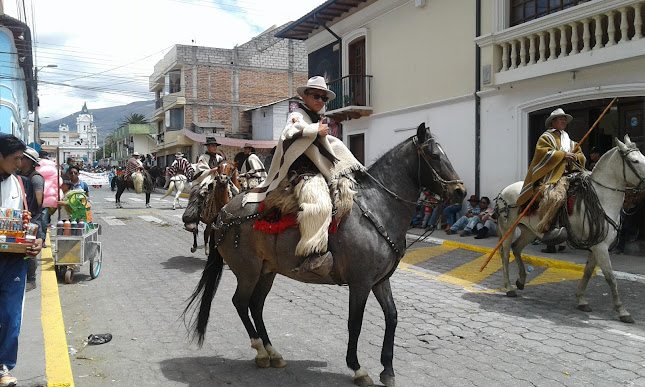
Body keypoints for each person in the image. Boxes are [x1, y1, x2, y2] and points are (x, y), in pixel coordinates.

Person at [243, 76, 365, 276]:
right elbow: (290, 132)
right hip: (302, 173)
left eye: (324, 98)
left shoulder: (317, 119)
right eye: (316, 96)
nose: (320, 101)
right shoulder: (297, 115)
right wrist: (315, 130)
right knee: (321, 205)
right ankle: (312, 255)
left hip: (320, 171)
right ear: (305, 96)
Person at [0, 134, 43, 387]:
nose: (20, 163)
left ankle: (3, 366)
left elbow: (37, 217)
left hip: (14, 261)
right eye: (15, 158)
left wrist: (36, 237)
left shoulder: (23, 184)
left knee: (10, 314)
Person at [517, 108, 586, 244]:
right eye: (560, 119)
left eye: (564, 119)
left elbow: (581, 156)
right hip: (551, 176)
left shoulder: (570, 141)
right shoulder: (546, 137)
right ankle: (549, 227)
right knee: (555, 196)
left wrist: (575, 158)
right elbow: (542, 153)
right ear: (553, 122)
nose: (563, 121)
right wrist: (563, 155)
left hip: (570, 174)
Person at [18, 147, 46, 292]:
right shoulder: (17, 175)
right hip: (20, 217)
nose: (19, 161)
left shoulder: (35, 178)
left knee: (30, 247)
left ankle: (31, 279)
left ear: (29, 161)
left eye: (21, 158)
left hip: (32, 217)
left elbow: (38, 202)